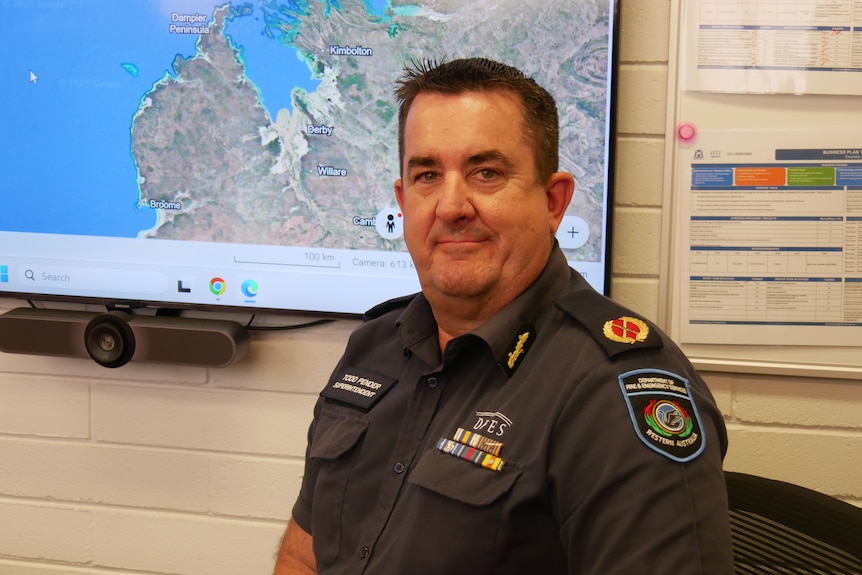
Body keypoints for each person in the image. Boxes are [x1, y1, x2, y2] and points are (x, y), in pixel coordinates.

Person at [273, 57, 734, 575]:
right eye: (427, 175)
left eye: (485, 172)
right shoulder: (374, 346)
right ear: (404, 202)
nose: (451, 206)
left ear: (553, 200)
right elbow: (303, 553)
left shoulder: (611, 389)